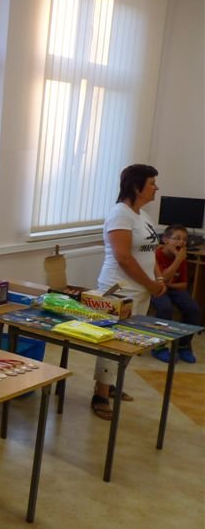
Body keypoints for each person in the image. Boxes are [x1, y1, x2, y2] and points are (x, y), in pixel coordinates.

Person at [91, 164, 166, 421]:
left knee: (128, 341)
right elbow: (123, 258)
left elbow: (150, 252)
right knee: (112, 342)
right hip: (119, 290)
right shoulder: (120, 215)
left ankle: (109, 384)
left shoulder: (143, 216)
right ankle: (100, 395)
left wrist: (158, 278)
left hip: (142, 290)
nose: (156, 188)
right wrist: (151, 284)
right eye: (152, 183)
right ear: (136, 186)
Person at [150, 224, 201, 363]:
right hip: (156, 287)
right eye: (177, 238)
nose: (181, 242)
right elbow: (162, 279)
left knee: (193, 310)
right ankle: (159, 346)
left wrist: (170, 284)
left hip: (173, 288)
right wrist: (178, 260)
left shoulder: (180, 256)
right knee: (165, 308)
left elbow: (184, 284)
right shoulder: (157, 254)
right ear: (165, 239)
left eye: (184, 239)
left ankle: (183, 345)